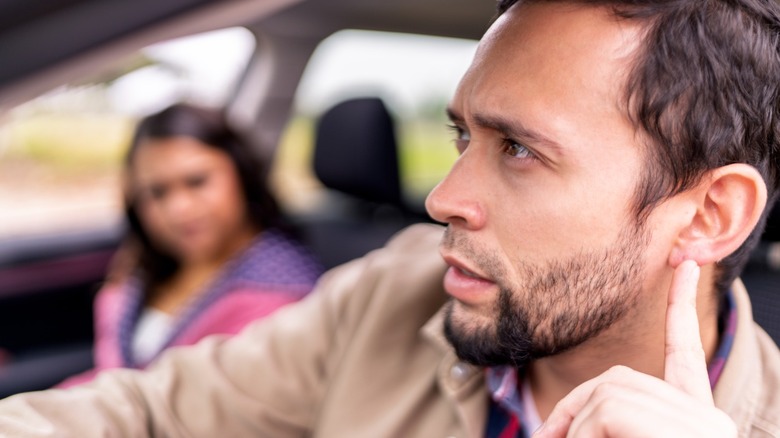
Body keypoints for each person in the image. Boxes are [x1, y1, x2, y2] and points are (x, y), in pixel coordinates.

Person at [0, 0, 778, 436]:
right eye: (462, 135)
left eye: (518, 149)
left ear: (710, 213)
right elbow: (143, 414)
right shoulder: (397, 288)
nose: (442, 198)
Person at [58, 103, 323, 387]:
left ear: (242, 174)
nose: (179, 209)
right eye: (157, 192)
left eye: (197, 182)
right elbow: (112, 377)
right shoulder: (144, 267)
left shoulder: (282, 296)